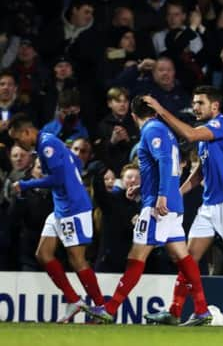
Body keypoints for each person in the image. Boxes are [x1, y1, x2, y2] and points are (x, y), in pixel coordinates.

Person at [142, 86, 223, 326]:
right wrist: (176, 193)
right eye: (194, 102)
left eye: (200, 103)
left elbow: (190, 135)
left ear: (214, 106)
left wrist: (161, 110)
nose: (195, 107)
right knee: (188, 257)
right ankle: (174, 311)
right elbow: (200, 172)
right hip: (209, 205)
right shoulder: (206, 137)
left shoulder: (221, 125)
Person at [86, 96, 210, 326]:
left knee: (136, 256)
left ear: (133, 116)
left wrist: (159, 194)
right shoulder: (163, 131)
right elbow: (165, 164)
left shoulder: (152, 130)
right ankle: (202, 309)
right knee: (182, 256)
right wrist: (144, 187)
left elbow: (164, 161)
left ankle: (110, 308)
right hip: (171, 202)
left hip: (158, 205)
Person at [8, 114, 105, 322]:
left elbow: (58, 178)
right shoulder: (47, 142)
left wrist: (25, 184)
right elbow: (76, 164)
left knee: (77, 259)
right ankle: (74, 300)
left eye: (18, 139)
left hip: (74, 209)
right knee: (43, 254)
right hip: (61, 207)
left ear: (26, 132)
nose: (18, 145)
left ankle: (100, 307)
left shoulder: (47, 145)